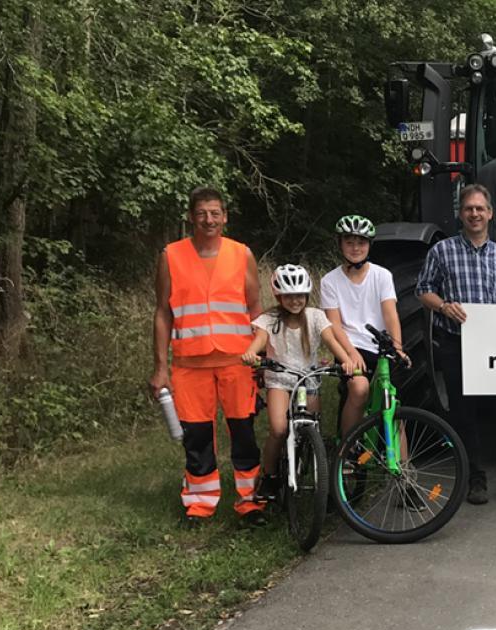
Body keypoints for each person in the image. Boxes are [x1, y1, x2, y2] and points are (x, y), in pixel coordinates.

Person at [148, 186, 266, 526]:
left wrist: (263, 355)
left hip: (238, 361)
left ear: (225, 217)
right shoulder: (171, 255)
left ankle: (250, 501)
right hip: (189, 364)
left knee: (243, 433)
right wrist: (160, 367)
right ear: (190, 217)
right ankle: (199, 504)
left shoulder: (241, 254)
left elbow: (256, 308)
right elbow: (162, 313)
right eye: (201, 213)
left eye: (215, 213)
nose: (208, 220)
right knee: (197, 436)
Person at [417, 184, 496, 504]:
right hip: (456, 343)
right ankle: (474, 479)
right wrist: (444, 306)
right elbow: (423, 290)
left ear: (490, 214)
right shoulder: (441, 251)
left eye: (480, 208)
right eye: (469, 208)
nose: (474, 214)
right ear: (460, 214)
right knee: (464, 413)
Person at [241, 265, 360, 499]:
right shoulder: (270, 319)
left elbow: (331, 340)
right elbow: (259, 340)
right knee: (279, 429)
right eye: (288, 296)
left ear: (306, 295)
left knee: (312, 427)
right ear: (279, 296)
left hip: (308, 380)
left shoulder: (315, 316)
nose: (295, 301)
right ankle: (269, 477)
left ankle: (316, 471)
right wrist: (251, 353)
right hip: (280, 379)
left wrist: (347, 361)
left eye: (299, 296)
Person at [319, 215, 408, 437]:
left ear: (369, 245)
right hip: (349, 345)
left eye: (361, 242)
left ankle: (403, 459)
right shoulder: (330, 281)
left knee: (392, 402)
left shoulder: (382, 275)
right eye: (349, 242)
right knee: (359, 389)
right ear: (340, 244)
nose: (356, 248)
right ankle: (347, 449)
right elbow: (334, 325)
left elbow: (390, 314)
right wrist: (351, 353)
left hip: (381, 345)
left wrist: (398, 348)